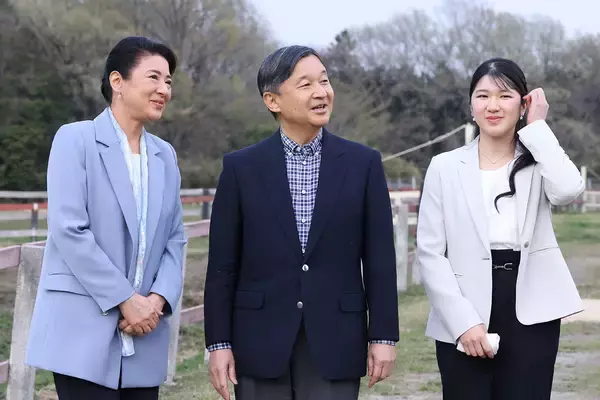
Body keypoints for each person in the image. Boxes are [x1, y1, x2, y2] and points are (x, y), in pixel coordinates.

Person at [203, 45, 400, 400]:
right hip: (259, 339)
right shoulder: (241, 168)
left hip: (336, 338)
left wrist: (383, 336)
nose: (321, 92)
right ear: (272, 100)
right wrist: (218, 343)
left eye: (324, 81)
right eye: (306, 84)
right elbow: (222, 267)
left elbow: (380, 260)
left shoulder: (363, 164)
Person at [25, 36, 187, 399]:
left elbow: (175, 237)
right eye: (154, 77)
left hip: (145, 331)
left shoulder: (165, 155)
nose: (164, 89)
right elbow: (69, 230)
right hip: (82, 330)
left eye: (168, 81)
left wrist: (157, 300)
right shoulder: (75, 140)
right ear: (118, 81)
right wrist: (125, 298)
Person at [416, 57, 585, 400]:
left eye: (505, 96)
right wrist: (463, 322)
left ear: (523, 105)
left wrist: (537, 127)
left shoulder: (539, 161)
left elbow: (568, 190)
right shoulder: (444, 167)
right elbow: (430, 252)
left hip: (531, 309)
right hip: (463, 304)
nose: (492, 106)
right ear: (471, 106)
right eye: (482, 96)